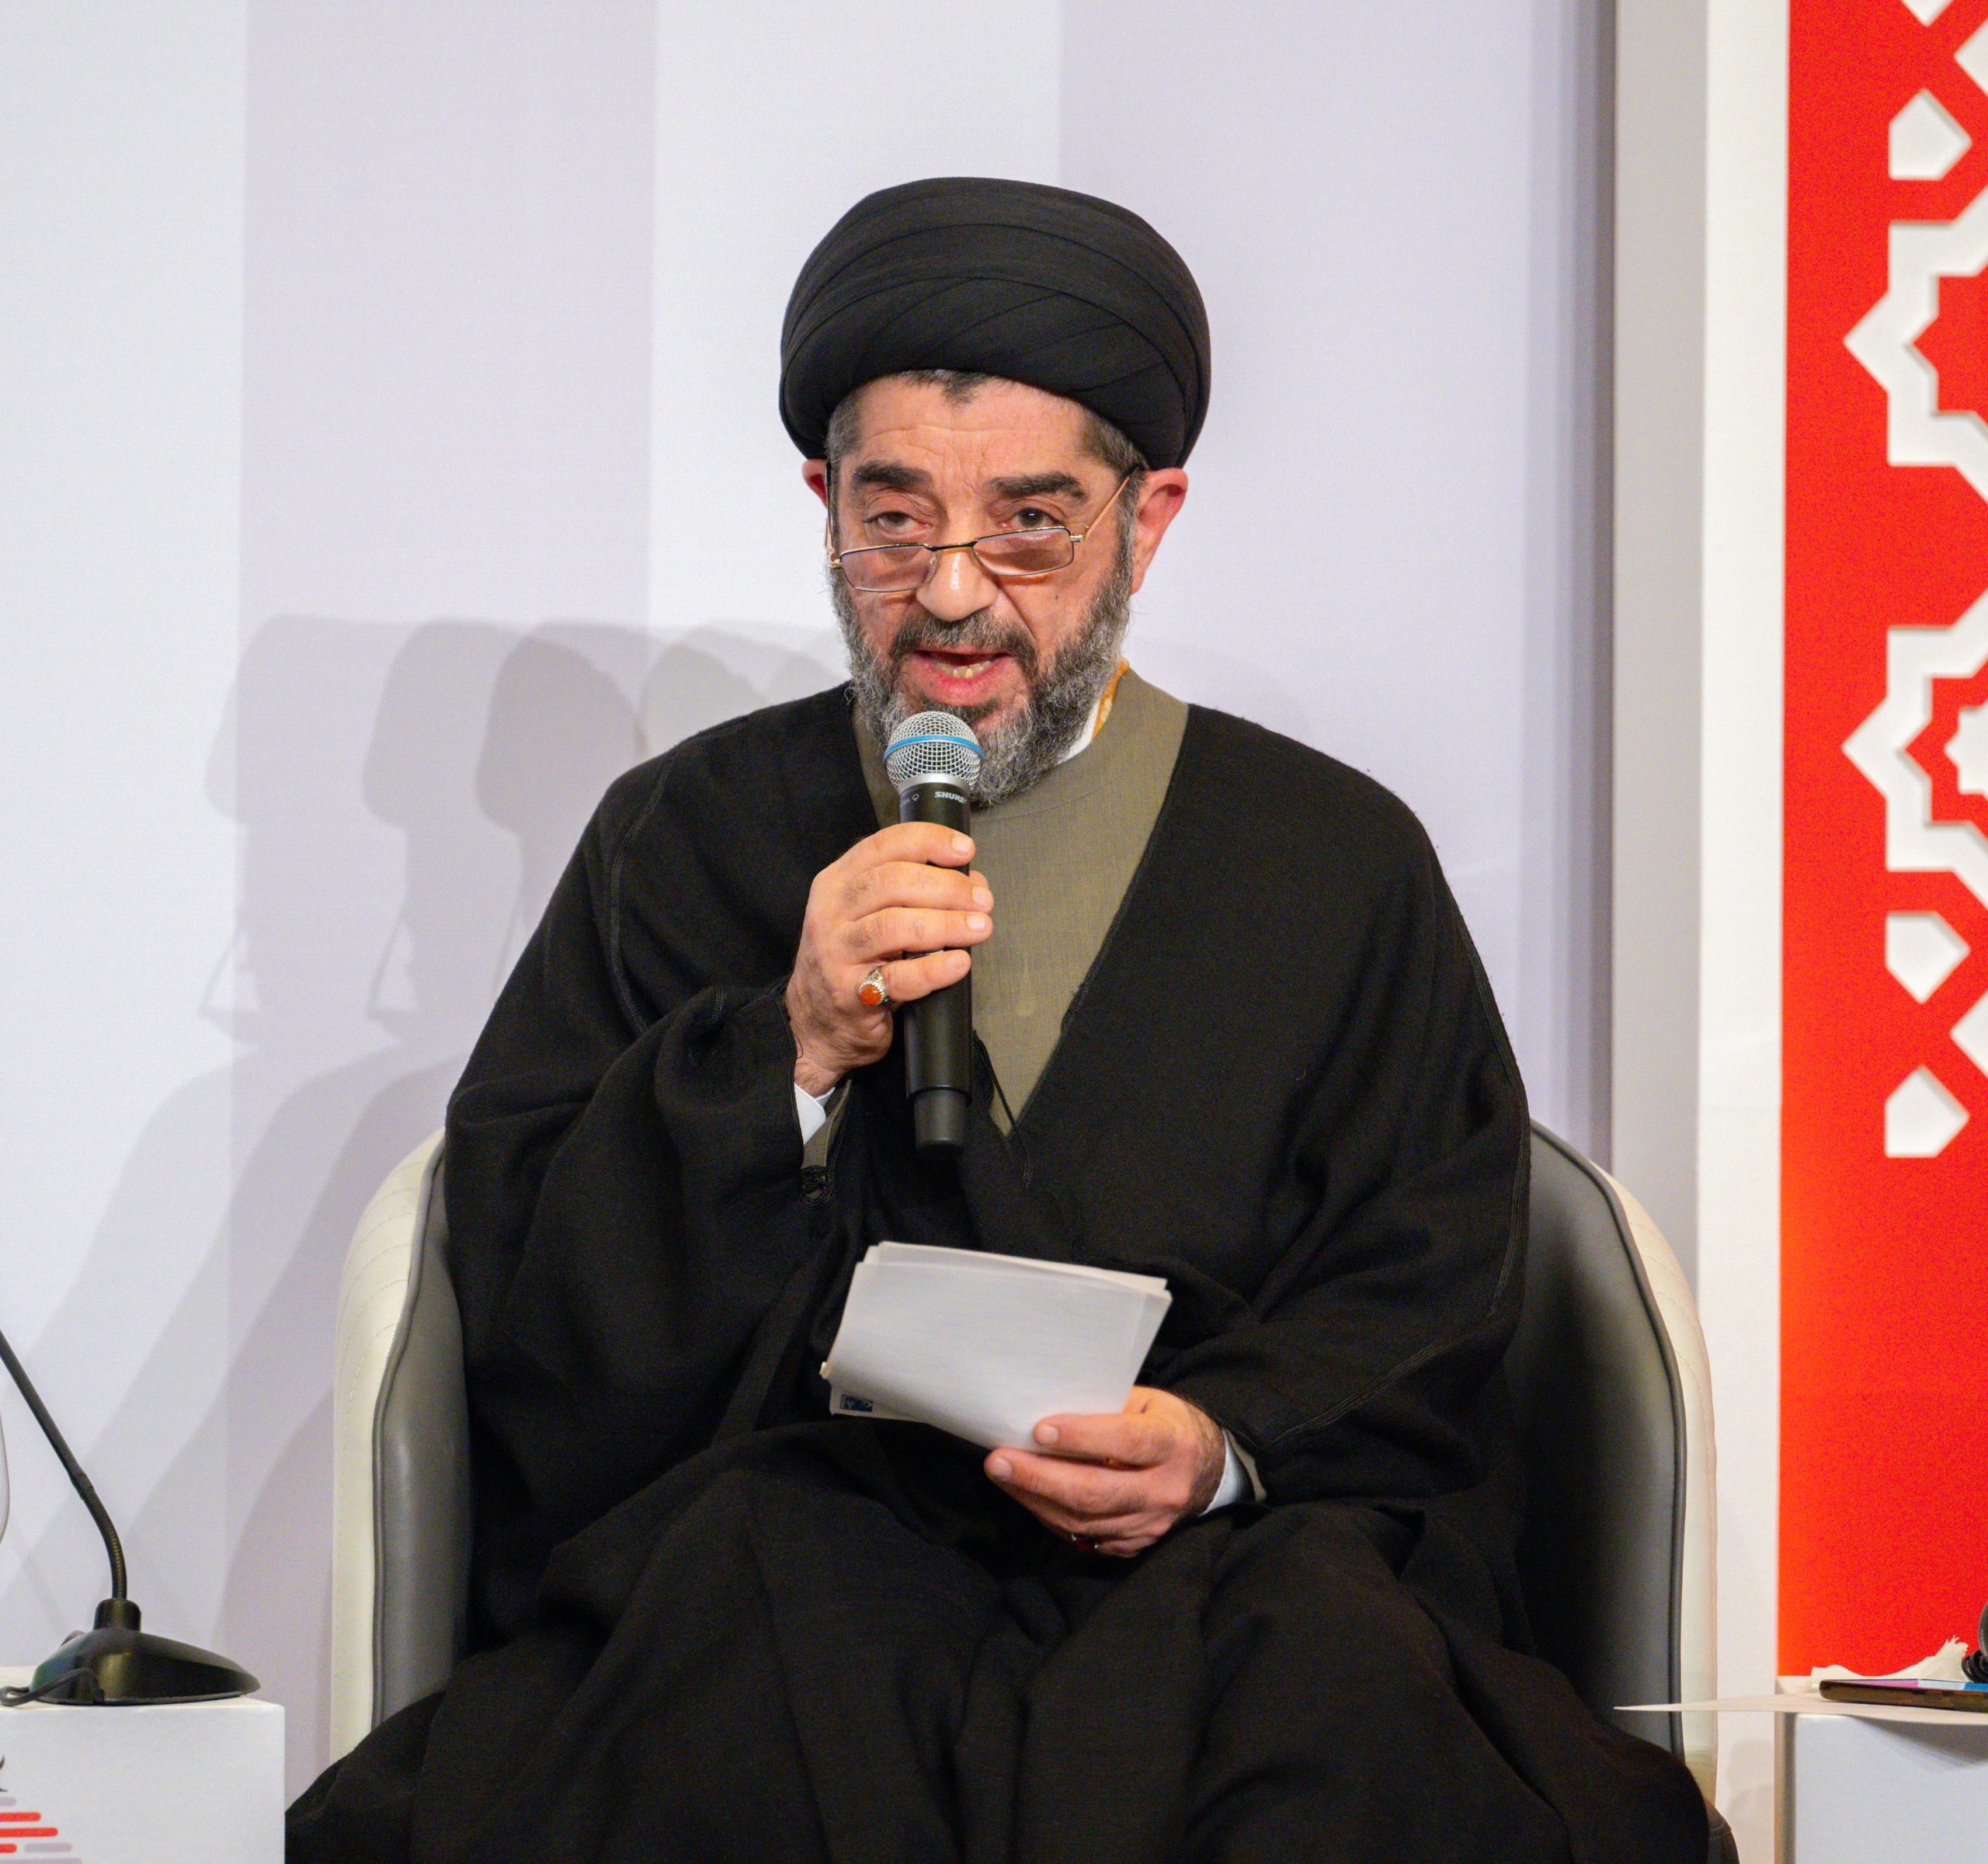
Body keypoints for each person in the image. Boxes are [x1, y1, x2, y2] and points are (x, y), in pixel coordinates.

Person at [288, 177, 1708, 1863]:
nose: (953, 595)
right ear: (823, 505)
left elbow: (1435, 1275)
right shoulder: (683, 836)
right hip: (797, 1548)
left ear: (1147, 519)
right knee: (719, 1692)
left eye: (1030, 525)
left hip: (1223, 1563)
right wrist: (784, 1054)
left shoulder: (1332, 860)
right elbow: (536, 1302)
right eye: (894, 523)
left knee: (1335, 1716)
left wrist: (1219, 1445)